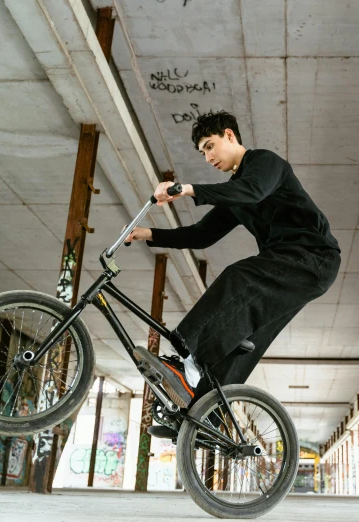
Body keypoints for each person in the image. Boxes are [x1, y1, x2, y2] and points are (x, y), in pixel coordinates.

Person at [125, 111, 340, 436]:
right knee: (245, 340)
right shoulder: (234, 193)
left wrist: (187, 189)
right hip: (292, 266)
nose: (208, 157)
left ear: (229, 135)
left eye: (210, 146)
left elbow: (252, 191)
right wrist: (151, 235)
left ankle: (186, 360)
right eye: (202, 153)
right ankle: (206, 418)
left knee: (239, 277)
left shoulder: (266, 164)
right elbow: (201, 235)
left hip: (313, 257)